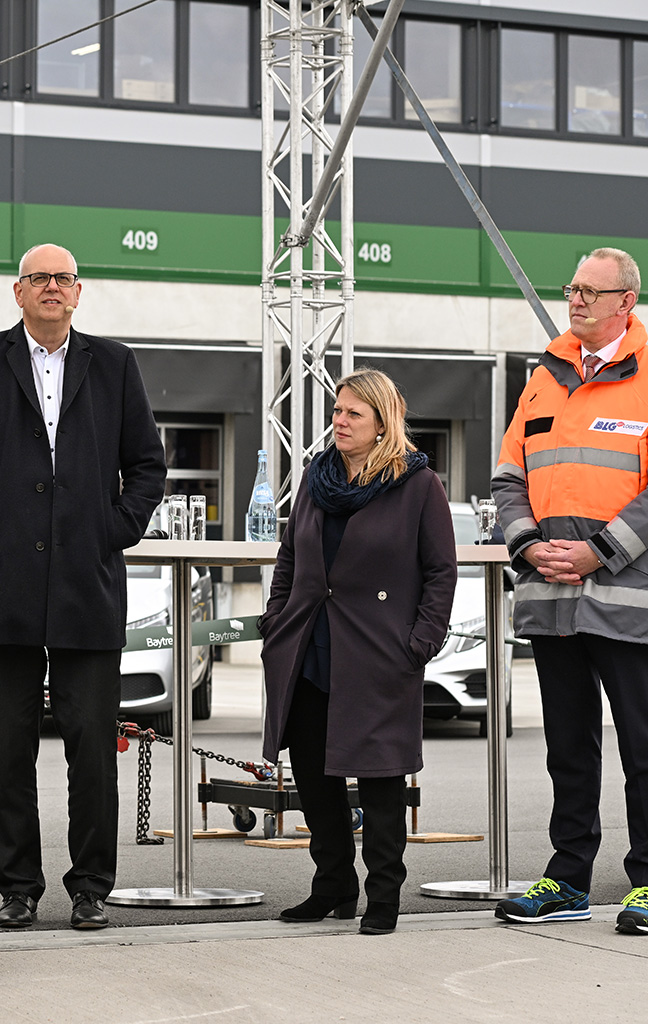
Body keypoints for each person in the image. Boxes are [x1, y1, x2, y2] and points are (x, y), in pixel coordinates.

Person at [0, 243, 167, 931]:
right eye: (39, 278)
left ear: (79, 293)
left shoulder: (115, 364)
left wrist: (113, 528)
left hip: (89, 584)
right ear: (19, 291)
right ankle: (18, 887)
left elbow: (147, 466)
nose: (52, 288)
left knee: (92, 748)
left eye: (63, 278)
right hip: (5, 584)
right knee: (8, 749)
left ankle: (91, 886)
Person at [259, 368, 456, 936]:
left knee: (380, 779)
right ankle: (334, 886)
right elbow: (289, 561)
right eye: (337, 411)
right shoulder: (317, 478)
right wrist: (277, 623)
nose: (339, 422)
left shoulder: (417, 485)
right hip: (307, 649)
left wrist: (419, 643)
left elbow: (440, 572)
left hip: (377, 654)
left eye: (353, 414)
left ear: (381, 424)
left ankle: (384, 896)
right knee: (315, 780)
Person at [491, 247, 648, 936]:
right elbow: (506, 475)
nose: (575, 298)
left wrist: (597, 552)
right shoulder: (544, 378)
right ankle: (568, 878)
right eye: (571, 288)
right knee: (567, 748)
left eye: (590, 290)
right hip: (551, 599)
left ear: (626, 303)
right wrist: (528, 544)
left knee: (644, 747)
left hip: (629, 602)